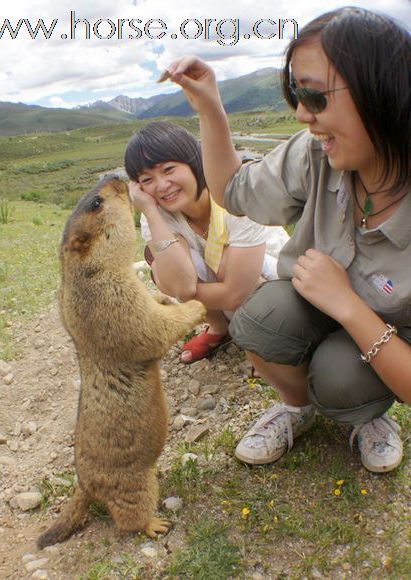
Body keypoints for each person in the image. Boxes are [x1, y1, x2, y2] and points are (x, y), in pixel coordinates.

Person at [160, 6, 411, 473]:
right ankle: (298, 408)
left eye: (315, 97)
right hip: (319, 301)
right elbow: (233, 189)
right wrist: (211, 108)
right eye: (295, 94)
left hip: (394, 331)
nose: (300, 114)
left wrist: (349, 307)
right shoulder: (316, 153)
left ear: (382, 92)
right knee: (259, 318)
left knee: (339, 378)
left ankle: (369, 416)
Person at [124, 121, 289, 364]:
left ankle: (271, 338)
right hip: (226, 292)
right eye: (146, 179)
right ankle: (219, 327)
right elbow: (181, 283)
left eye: (169, 169)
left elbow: (233, 293)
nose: (161, 185)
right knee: (170, 268)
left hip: (280, 283)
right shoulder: (156, 213)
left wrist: (174, 288)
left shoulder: (232, 195)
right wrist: (148, 211)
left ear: (194, 162)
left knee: (213, 264)